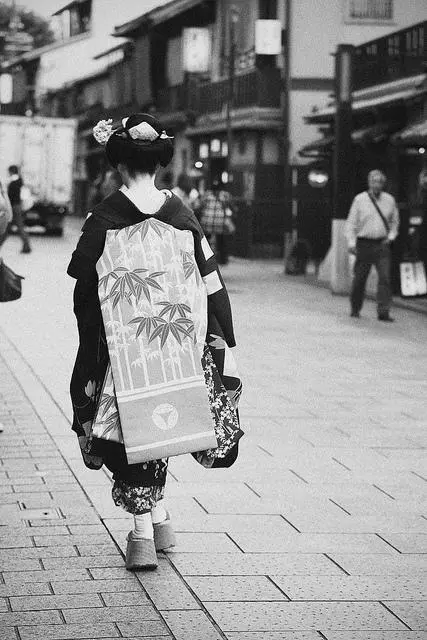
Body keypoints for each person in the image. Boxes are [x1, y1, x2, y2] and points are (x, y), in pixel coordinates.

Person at [67, 113, 241, 571]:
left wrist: (95, 346)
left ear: (118, 164)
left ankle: (143, 532)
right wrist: (219, 336)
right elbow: (211, 282)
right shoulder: (182, 215)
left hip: (123, 348)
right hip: (180, 344)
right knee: (163, 425)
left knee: (130, 434)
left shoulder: (103, 217)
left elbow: (83, 287)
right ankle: (160, 517)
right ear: (159, 163)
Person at [346, 169, 399, 322]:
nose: (377, 185)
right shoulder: (360, 200)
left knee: (385, 278)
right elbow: (351, 223)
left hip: (382, 243)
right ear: (369, 183)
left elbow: (395, 221)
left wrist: (391, 236)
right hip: (364, 243)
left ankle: (383, 311)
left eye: (380, 182)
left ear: (383, 184)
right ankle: (355, 308)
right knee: (360, 278)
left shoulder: (389, 200)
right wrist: (351, 242)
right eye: (374, 181)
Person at [199, 181, 234, 265]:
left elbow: (200, 205)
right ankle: (222, 259)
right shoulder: (225, 195)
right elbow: (230, 204)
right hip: (220, 222)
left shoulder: (206, 195)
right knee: (221, 241)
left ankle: (204, 258)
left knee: (205, 241)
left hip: (207, 222)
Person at [5, 166, 31, 254]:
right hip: (17, 206)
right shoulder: (19, 181)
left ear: (11, 171)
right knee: (11, 227)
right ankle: (26, 245)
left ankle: (27, 245)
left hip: (13, 207)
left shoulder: (13, 182)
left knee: (11, 226)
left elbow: (10, 197)